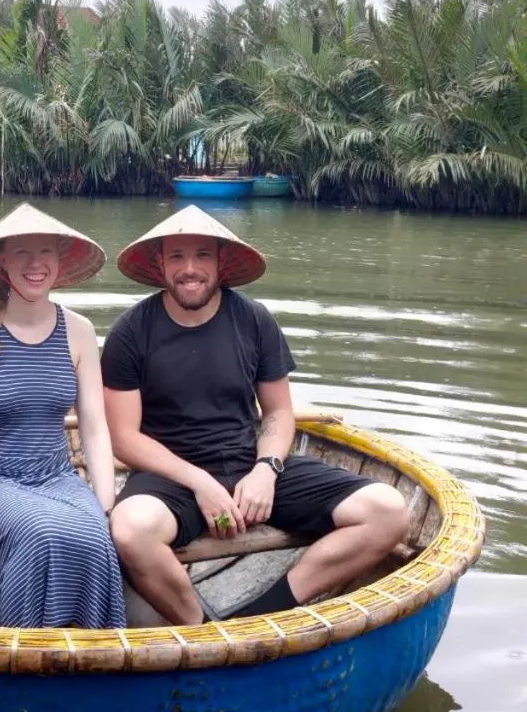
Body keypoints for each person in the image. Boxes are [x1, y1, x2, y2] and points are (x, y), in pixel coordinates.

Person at [102, 207, 409, 625]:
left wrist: (266, 469)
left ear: (220, 262)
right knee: (130, 530)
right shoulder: (131, 331)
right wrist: (201, 482)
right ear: (159, 264)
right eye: (176, 257)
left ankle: (267, 610)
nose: (189, 269)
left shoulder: (253, 320)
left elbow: (279, 412)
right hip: (171, 477)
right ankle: (200, 628)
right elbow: (125, 438)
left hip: (250, 466)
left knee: (389, 510)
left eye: (201, 256)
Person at [0, 203, 127, 629]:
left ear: (61, 260)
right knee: (41, 532)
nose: (35, 264)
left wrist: (106, 507)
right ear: (1, 260)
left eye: (46, 252)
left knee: (96, 538)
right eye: (21, 252)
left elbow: (94, 429)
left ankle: (87, 655)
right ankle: (23, 656)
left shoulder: (78, 330)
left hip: (56, 476)